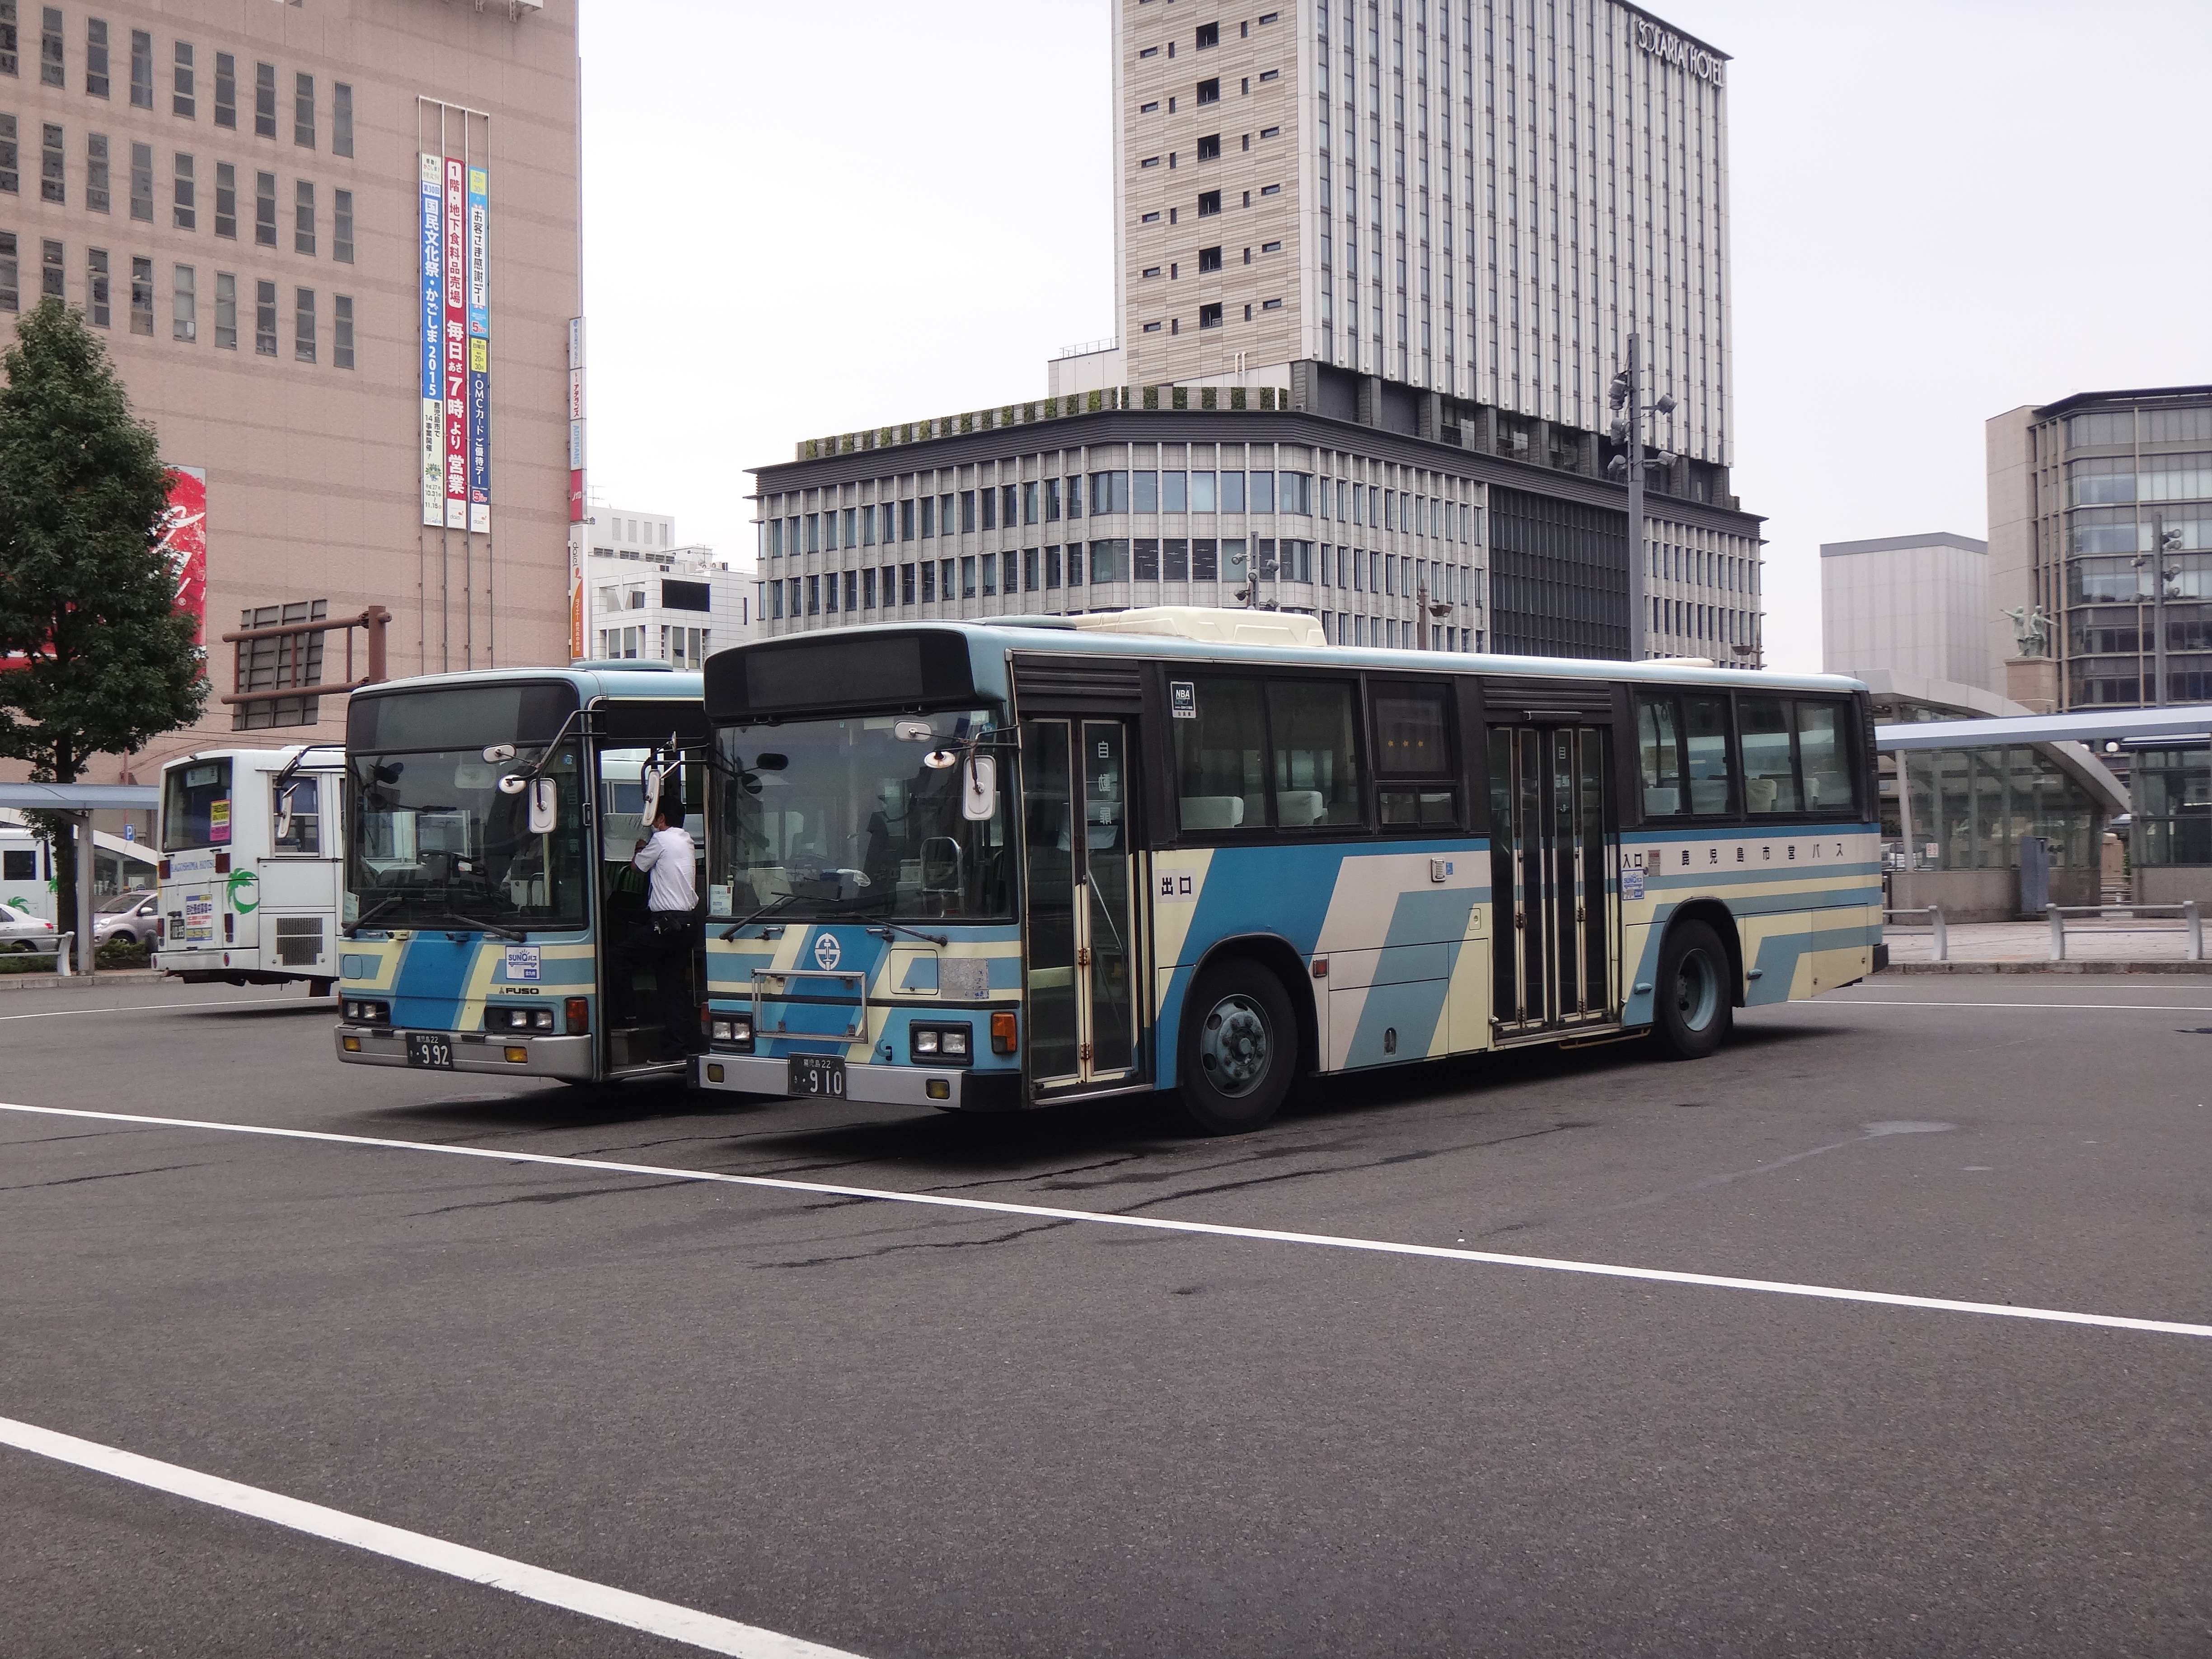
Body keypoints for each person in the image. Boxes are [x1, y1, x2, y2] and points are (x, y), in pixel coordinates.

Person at [609, 794, 698, 1063]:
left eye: (652, 817)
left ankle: (626, 1017)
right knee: (673, 988)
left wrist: (639, 848)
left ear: (660, 818)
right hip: (686, 924)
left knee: (617, 959)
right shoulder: (686, 839)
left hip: (666, 924)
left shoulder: (660, 839)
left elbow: (637, 868)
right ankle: (676, 1051)